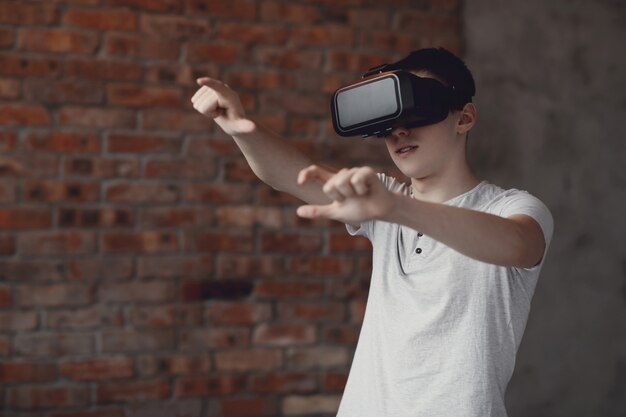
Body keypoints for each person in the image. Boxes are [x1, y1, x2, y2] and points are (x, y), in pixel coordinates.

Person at [191, 47, 554, 417]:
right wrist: (239, 125)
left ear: (464, 118)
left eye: (416, 111)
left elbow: (516, 243)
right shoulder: (382, 199)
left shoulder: (513, 208)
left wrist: (398, 209)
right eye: (388, 122)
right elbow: (290, 173)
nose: (399, 131)